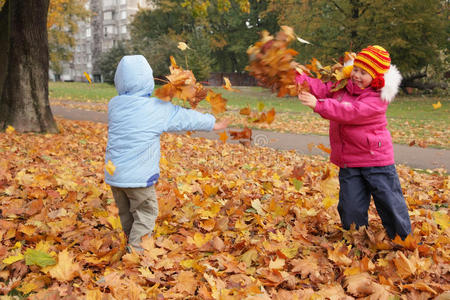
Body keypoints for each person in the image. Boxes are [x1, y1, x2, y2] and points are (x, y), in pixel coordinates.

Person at [105, 55, 229, 250]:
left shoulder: (115, 105)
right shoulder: (156, 108)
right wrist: (213, 123)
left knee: (127, 212)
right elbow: (184, 117)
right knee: (146, 212)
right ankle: (136, 253)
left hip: (115, 176)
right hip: (139, 178)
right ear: (148, 81)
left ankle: (131, 241)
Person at [297, 45, 411, 240]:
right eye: (355, 70)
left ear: (376, 77)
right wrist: (297, 78)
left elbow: (350, 112)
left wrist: (319, 105)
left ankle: (402, 238)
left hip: (376, 161)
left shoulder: (378, 98)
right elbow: (322, 88)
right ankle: (355, 238)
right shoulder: (343, 87)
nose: (357, 75)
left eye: (363, 73)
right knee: (350, 204)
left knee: (389, 201)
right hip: (350, 161)